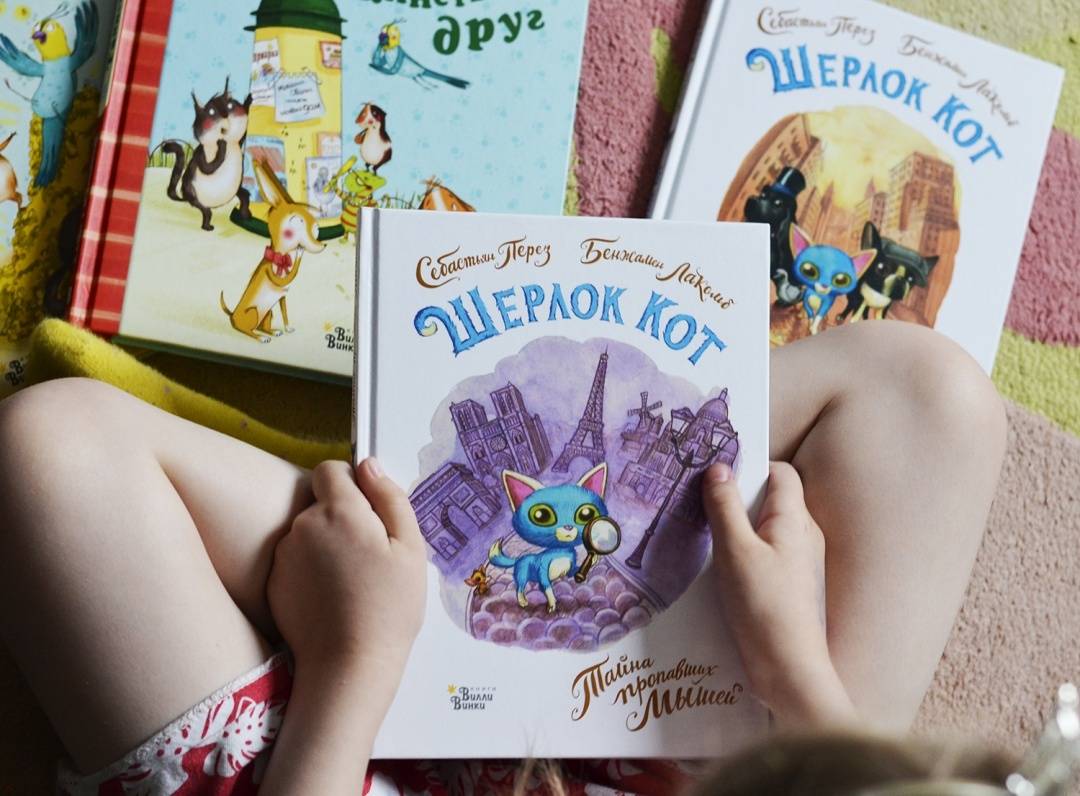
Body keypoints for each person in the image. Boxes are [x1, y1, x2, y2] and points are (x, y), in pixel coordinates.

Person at [0, 321, 1007, 794]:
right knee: (934, 396)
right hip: (690, 751)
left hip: (329, 761)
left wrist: (354, 662)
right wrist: (799, 678)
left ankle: (352, 550)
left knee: (48, 450)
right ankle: (366, 529)